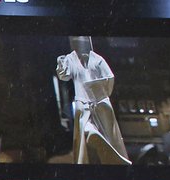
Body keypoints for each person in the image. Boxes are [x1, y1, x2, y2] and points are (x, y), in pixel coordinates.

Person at [55, 36, 130, 165]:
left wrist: (97, 89)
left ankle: (112, 162)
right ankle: (113, 159)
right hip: (84, 103)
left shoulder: (96, 59)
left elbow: (109, 79)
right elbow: (63, 75)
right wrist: (61, 61)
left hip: (100, 102)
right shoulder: (72, 59)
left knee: (109, 136)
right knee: (88, 132)